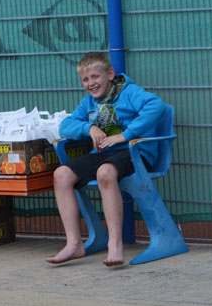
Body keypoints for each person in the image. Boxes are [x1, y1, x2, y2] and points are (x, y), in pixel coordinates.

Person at [46, 52, 166, 267]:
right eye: (85, 79)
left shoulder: (129, 92)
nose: (90, 83)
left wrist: (126, 135)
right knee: (61, 174)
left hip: (136, 154)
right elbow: (66, 126)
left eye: (95, 76)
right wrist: (89, 128)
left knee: (105, 172)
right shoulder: (89, 102)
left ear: (110, 74)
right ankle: (74, 244)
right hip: (105, 154)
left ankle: (115, 244)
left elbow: (156, 106)